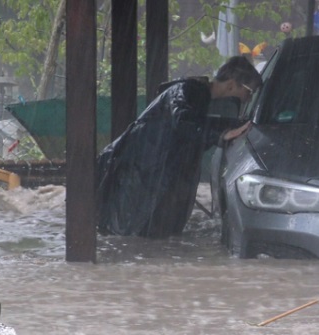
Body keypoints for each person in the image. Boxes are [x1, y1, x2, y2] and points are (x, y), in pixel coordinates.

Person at [96, 56, 262, 238]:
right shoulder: (189, 91)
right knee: (129, 233)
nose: (248, 99)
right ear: (231, 85)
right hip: (139, 173)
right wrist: (220, 135)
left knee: (133, 237)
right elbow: (184, 125)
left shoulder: (195, 93)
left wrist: (226, 128)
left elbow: (192, 125)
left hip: (142, 170)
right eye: (249, 92)